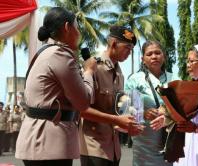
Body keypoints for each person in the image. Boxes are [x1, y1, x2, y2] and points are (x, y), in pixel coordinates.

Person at [15, 7, 141, 166]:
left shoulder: (45, 53)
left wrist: (125, 120)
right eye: (77, 27)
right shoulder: (63, 56)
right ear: (67, 27)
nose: (79, 32)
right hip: (59, 145)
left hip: (50, 143)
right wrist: (88, 70)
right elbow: (83, 104)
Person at [79, 25, 142, 166]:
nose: (129, 53)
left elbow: (118, 112)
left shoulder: (120, 74)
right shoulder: (93, 67)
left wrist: (129, 125)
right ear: (114, 44)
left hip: (114, 148)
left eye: (131, 50)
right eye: (127, 48)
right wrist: (117, 120)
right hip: (94, 147)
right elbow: (82, 109)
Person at [125, 41, 173, 166]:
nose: (154, 56)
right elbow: (126, 110)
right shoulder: (135, 80)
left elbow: (183, 110)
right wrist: (143, 113)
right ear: (143, 59)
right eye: (149, 54)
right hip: (144, 145)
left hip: (170, 142)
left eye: (158, 53)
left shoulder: (173, 79)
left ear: (164, 56)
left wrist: (167, 114)